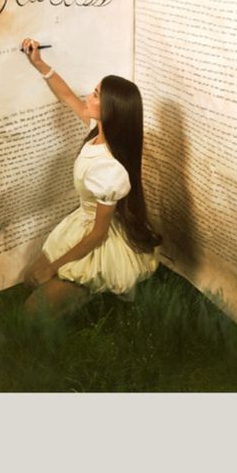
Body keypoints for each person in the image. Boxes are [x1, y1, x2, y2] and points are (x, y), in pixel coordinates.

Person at [20, 37, 161, 316]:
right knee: (28, 280)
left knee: (31, 312)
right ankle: (73, 289)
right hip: (81, 224)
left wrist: (54, 266)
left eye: (96, 95)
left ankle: (89, 290)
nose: (88, 96)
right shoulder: (97, 130)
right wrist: (39, 64)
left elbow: (98, 234)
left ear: (111, 110)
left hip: (99, 240)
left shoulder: (110, 169)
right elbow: (67, 96)